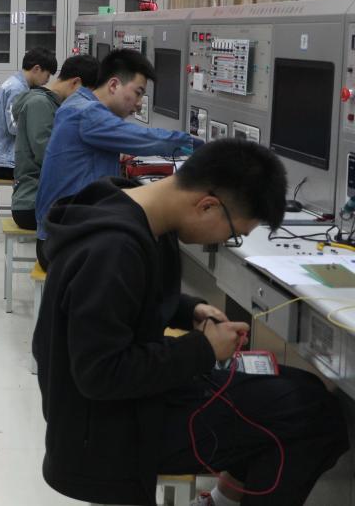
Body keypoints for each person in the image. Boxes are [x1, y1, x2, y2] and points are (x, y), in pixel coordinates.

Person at [32, 139, 348, 506]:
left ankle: (219, 500)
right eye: (233, 233)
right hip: (108, 437)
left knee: (303, 388)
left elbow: (125, 302)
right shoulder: (114, 250)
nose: (227, 240)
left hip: (119, 407)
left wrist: (189, 310)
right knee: (311, 418)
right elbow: (100, 374)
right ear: (207, 205)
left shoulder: (135, 212)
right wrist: (203, 349)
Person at [34, 49, 200, 268]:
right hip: (64, 245)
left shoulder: (76, 103)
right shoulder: (88, 113)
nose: (139, 104)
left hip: (57, 235)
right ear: (113, 85)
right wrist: (198, 147)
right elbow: (145, 138)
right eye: (138, 93)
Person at [10, 54, 100, 247]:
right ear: (76, 83)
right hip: (32, 203)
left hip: (43, 199)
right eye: (87, 95)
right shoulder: (40, 104)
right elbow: (48, 156)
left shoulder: (51, 103)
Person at [0, 48, 58, 180]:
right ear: (37, 69)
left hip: (0, 158)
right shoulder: (16, 89)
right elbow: (13, 126)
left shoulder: (19, 84)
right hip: (1, 162)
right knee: (50, 171)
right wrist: (38, 129)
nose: (48, 80)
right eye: (48, 75)